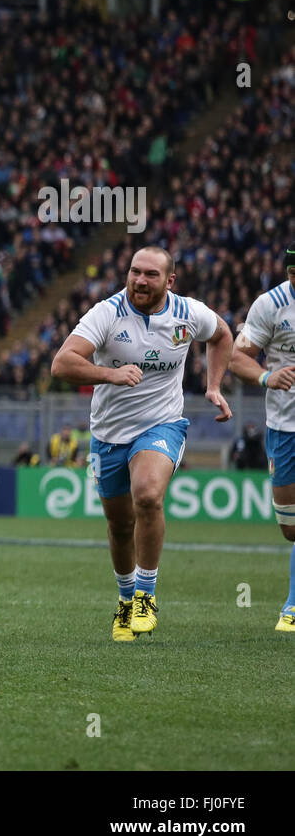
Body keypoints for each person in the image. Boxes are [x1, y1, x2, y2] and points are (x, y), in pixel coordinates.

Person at [51, 246, 232, 642]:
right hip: (109, 433)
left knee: (148, 496)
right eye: (135, 271)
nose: (139, 280)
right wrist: (108, 374)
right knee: (119, 525)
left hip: (162, 424)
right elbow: (62, 363)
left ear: (169, 281)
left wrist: (214, 385)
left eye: (150, 274)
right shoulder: (107, 313)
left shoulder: (188, 313)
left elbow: (221, 335)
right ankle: (126, 599)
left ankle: (147, 596)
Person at [228, 246, 295, 631]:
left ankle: (291, 605)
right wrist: (267, 377)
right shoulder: (270, 305)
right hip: (285, 427)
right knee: (290, 528)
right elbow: (239, 358)